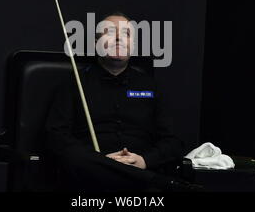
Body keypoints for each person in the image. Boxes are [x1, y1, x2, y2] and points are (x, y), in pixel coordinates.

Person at [45, 12, 200, 192]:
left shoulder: (152, 87)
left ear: (132, 45)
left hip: (140, 175)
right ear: (97, 43)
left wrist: (144, 161)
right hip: (88, 178)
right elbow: (56, 137)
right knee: (72, 156)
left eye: (126, 34)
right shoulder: (73, 84)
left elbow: (173, 142)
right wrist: (100, 161)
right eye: (110, 33)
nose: (118, 38)